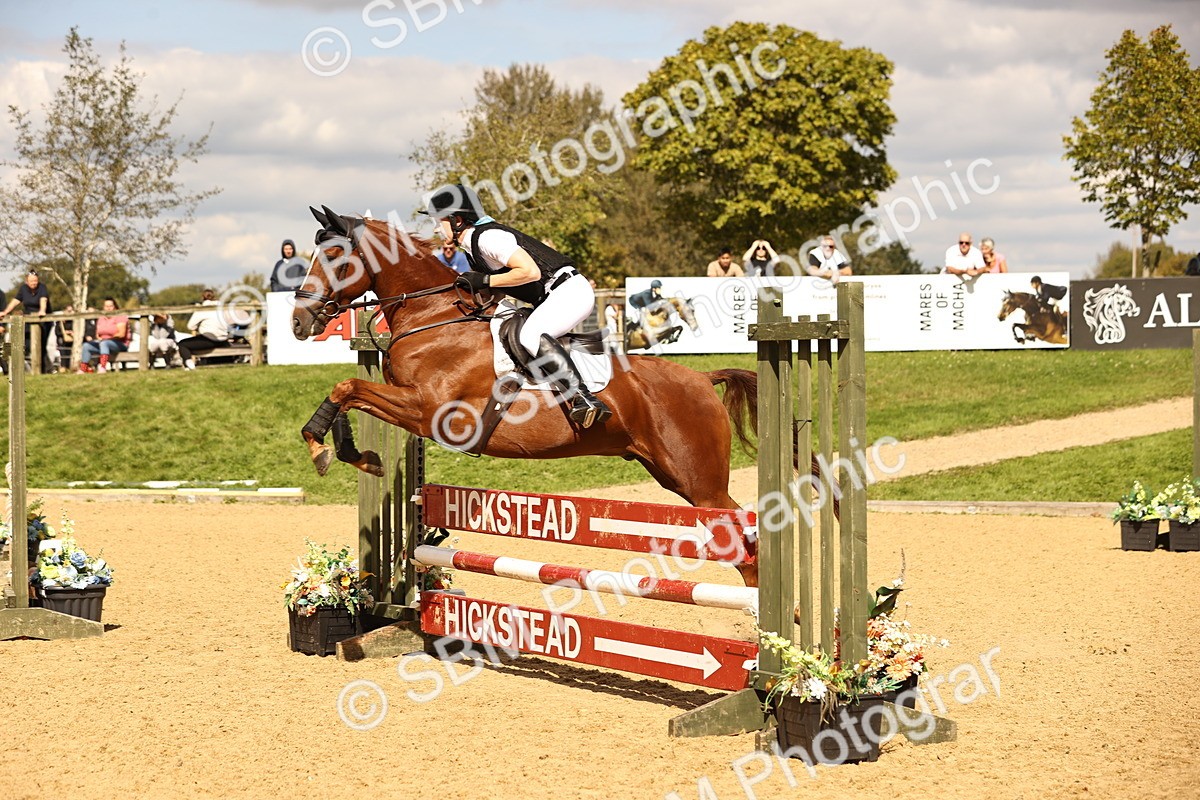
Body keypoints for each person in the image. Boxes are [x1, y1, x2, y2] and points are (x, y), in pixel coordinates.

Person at [425, 183, 611, 427]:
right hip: (553, 296)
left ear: (457, 219)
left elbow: (530, 272)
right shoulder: (472, 249)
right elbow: (502, 288)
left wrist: (485, 280)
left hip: (568, 291)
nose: (436, 228)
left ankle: (583, 398)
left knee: (530, 335)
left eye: (438, 221)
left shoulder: (488, 238)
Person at [0, 270, 53, 372]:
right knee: (28, 343)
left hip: (43, 321)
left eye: (35, 281)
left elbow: (43, 300)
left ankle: (46, 369)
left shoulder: (42, 287)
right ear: (27, 281)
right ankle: (42, 368)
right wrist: (5, 312)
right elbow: (16, 301)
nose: (34, 283)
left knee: (41, 344)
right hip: (29, 320)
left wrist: (42, 310)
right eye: (31, 281)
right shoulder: (23, 289)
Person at [176, 289, 231, 370]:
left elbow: (190, 326)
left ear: (202, 297)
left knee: (182, 344)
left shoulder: (202, 309)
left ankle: (189, 365)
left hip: (210, 340)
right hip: (223, 340)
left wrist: (199, 326)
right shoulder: (221, 307)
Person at [78, 297, 129, 373]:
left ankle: (102, 367)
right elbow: (98, 333)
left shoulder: (120, 317)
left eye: (110, 306)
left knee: (104, 343)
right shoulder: (101, 318)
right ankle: (83, 369)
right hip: (102, 343)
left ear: (115, 307)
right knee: (86, 345)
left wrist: (107, 339)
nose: (108, 308)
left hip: (119, 344)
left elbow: (121, 334)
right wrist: (99, 338)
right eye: (106, 306)